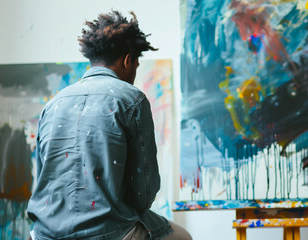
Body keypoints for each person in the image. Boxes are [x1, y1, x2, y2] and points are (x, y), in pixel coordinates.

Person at [27, 10, 192, 240]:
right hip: (109, 231)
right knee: (182, 237)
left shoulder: (53, 104)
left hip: (45, 233)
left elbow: (43, 180)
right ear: (127, 61)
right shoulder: (132, 99)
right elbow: (143, 194)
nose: (134, 72)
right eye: (135, 65)